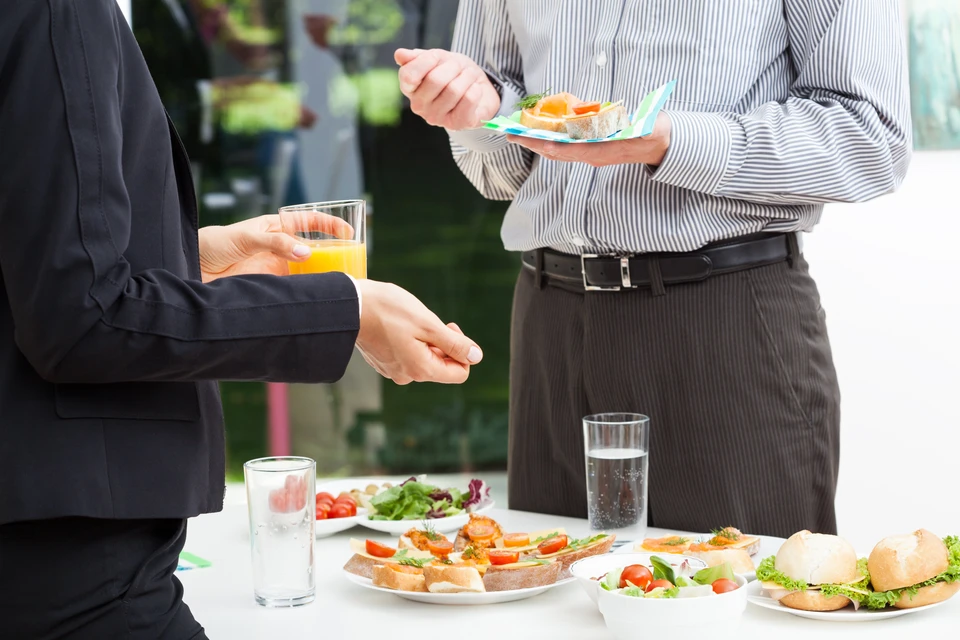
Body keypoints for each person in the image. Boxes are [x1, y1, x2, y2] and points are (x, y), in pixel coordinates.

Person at [0, 1, 482, 638]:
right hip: (75, 566)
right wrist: (349, 311)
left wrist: (187, 260)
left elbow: (39, 268)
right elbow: (83, 317)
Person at [395, 0, 911, 538]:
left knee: (739, 608)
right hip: (550, 323)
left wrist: (671, 141)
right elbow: (504, 166)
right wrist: (480, 112)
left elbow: (868, 136)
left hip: (724, 326)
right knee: (552, 609)